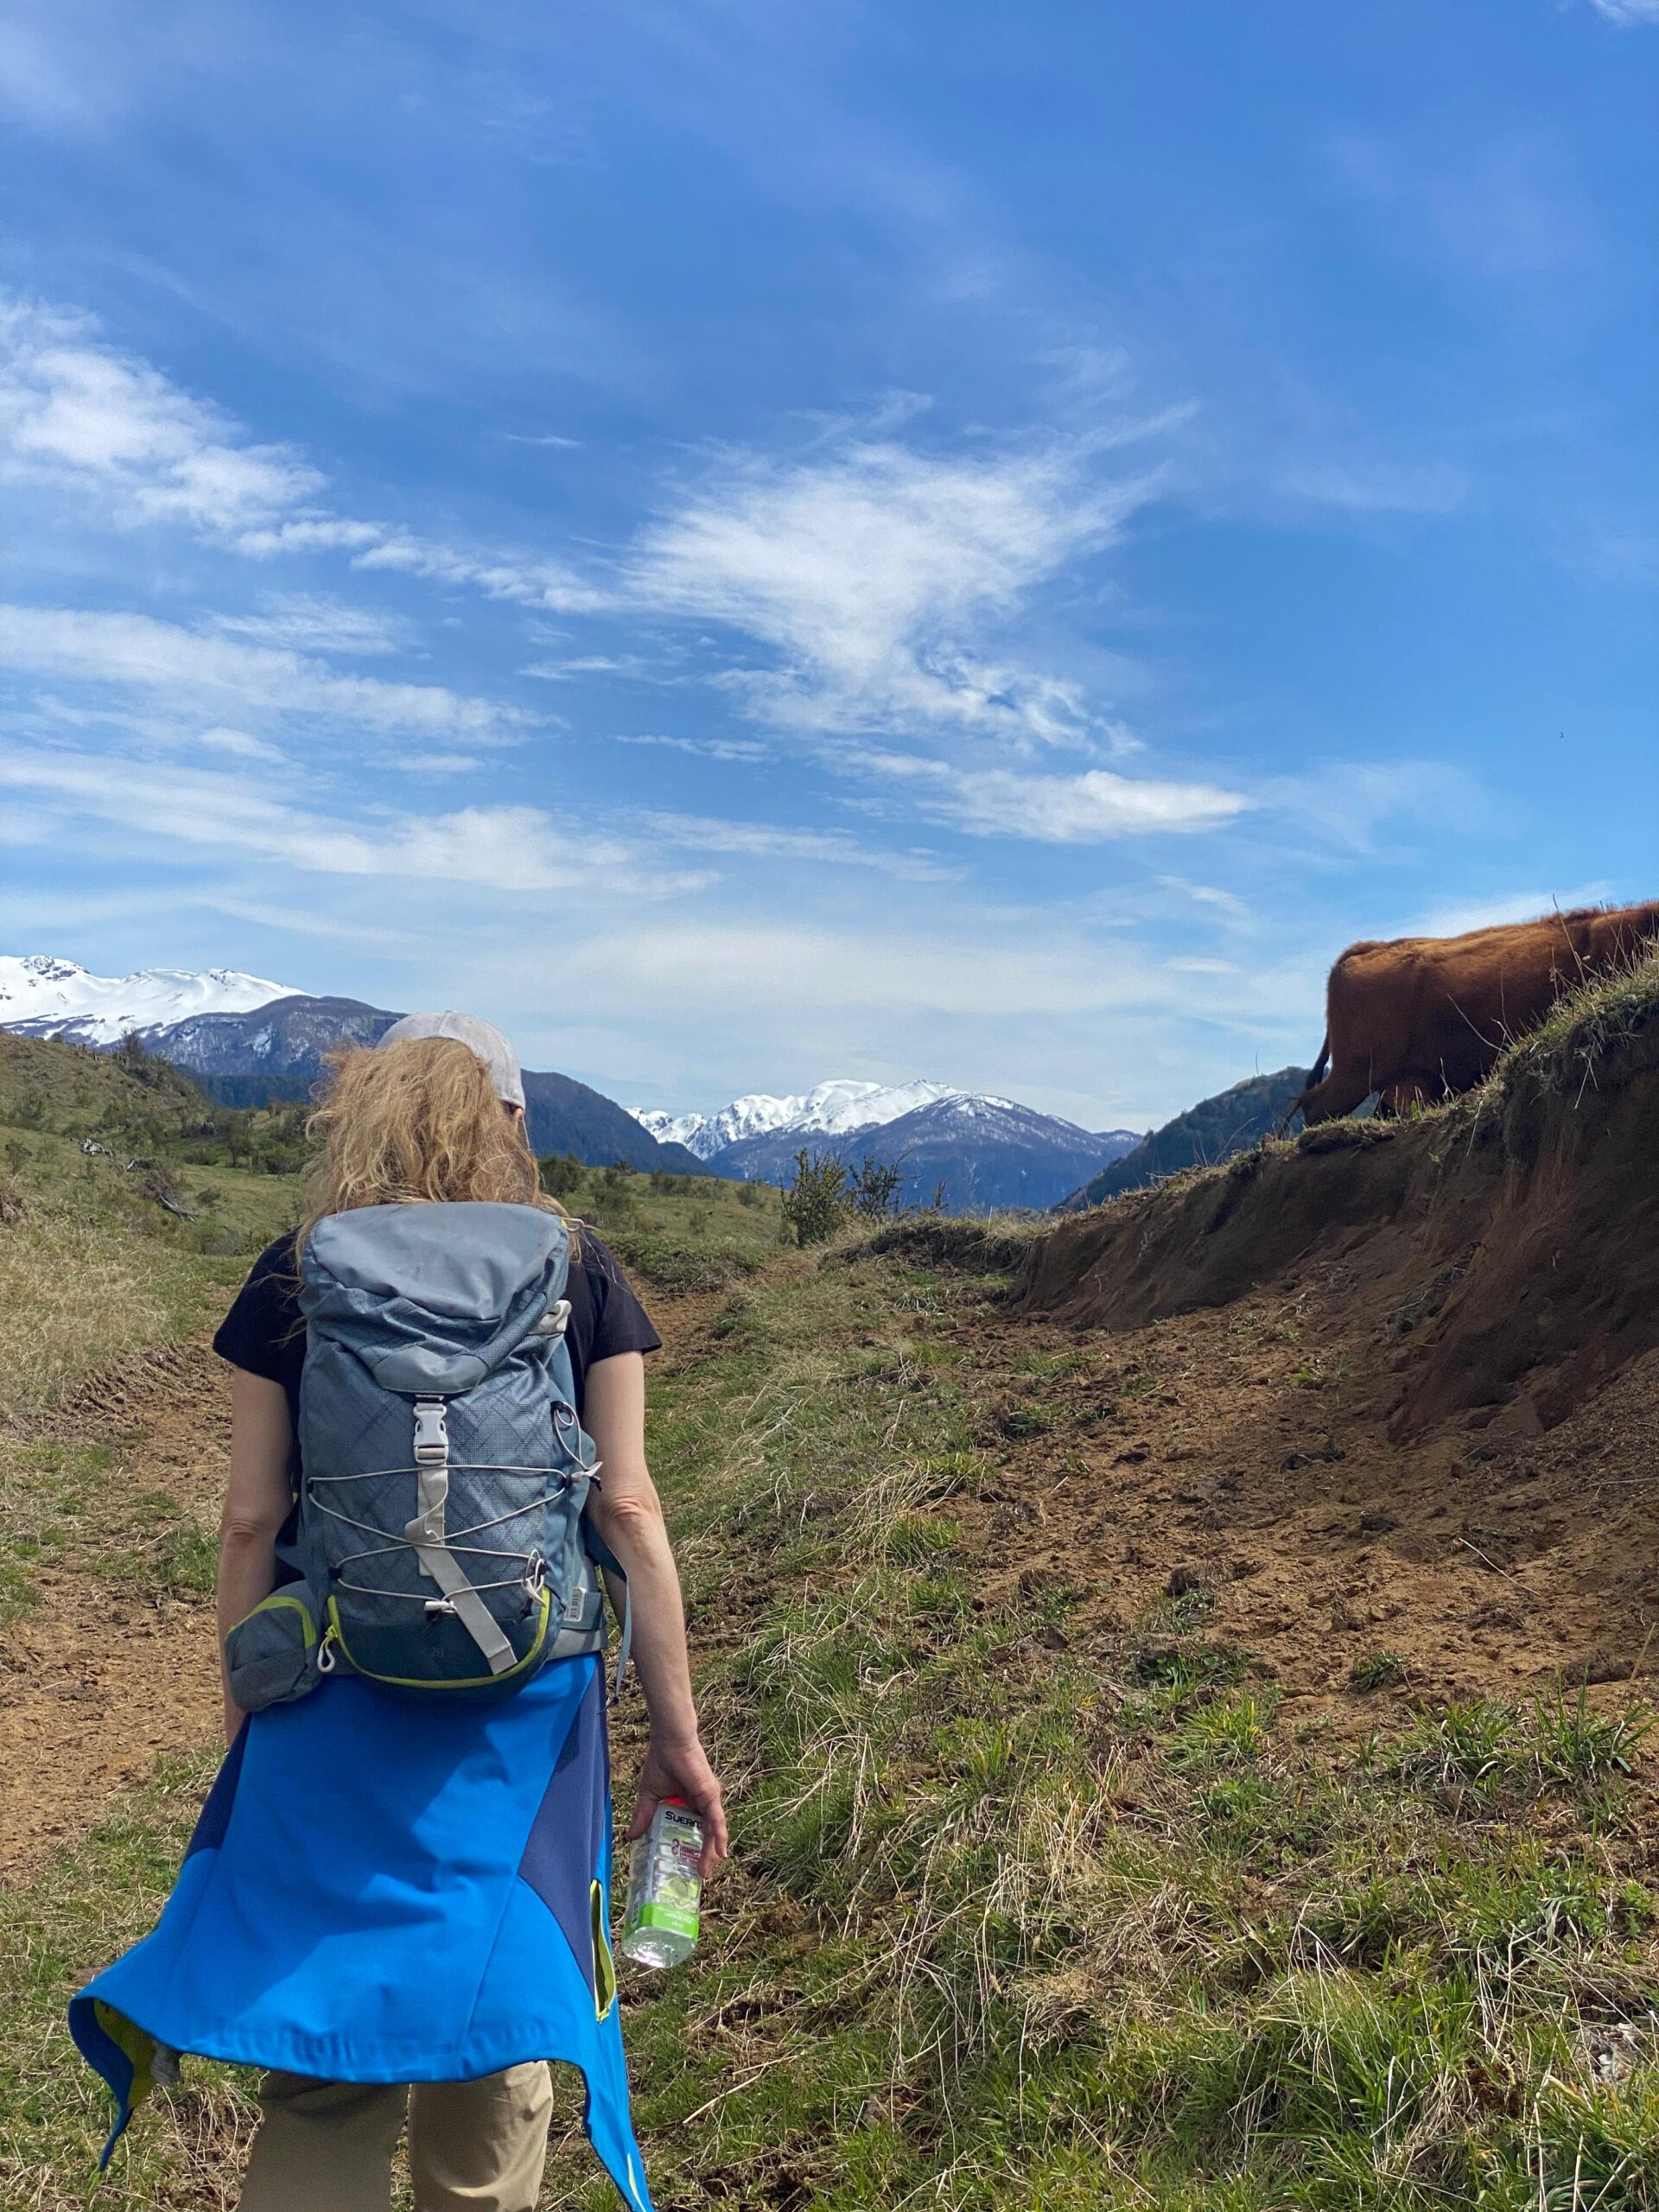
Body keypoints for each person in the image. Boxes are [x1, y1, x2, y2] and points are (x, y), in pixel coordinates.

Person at [70, 1012, 727, 2212]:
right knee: (495, 2044)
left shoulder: (297, 1270)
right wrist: (677, 1741)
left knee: (323, 2063)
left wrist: (242, 1712)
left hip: (331, 1698)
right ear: (513, 1126)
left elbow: (247, 1524)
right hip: (522, 1718)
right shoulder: (579, 1268)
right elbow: (627, 1508)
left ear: (360, 1116)